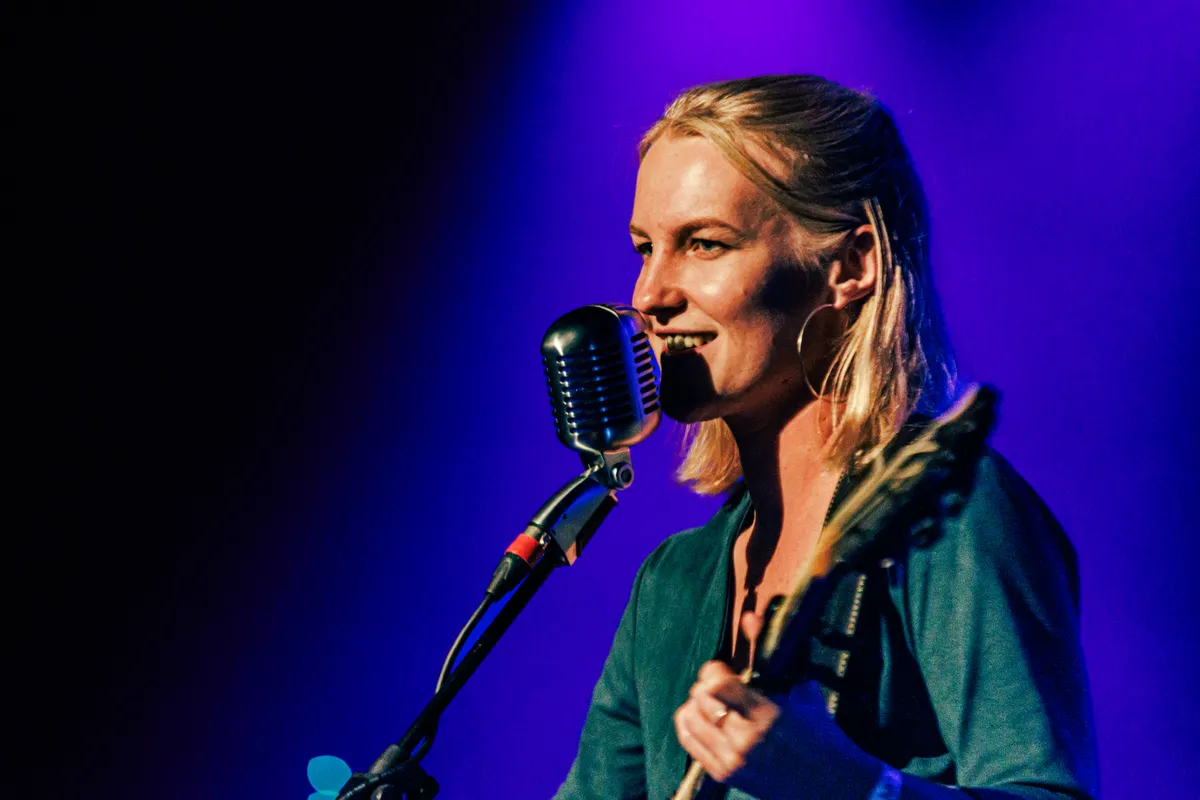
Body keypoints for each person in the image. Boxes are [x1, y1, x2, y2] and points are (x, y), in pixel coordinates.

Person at [553, 76, 1099, 800]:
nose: (650, 294)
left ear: (852, 266)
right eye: (644, 248)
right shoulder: (673, 584)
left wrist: (848, 786)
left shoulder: (952, 516)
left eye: (705, 244)